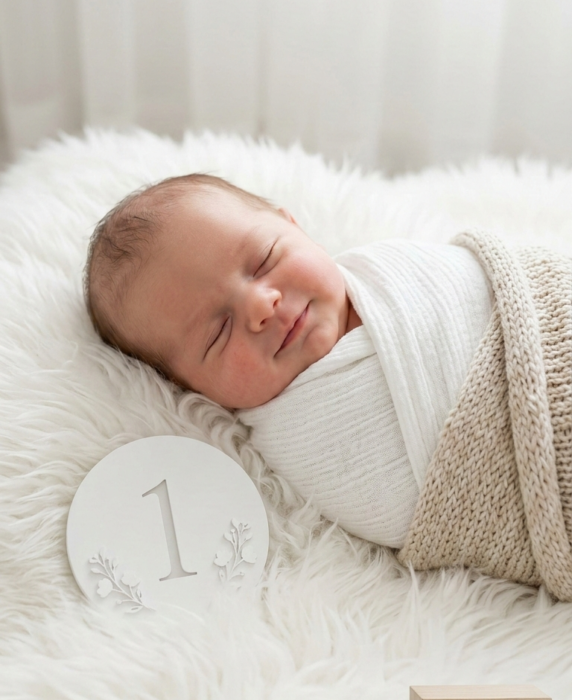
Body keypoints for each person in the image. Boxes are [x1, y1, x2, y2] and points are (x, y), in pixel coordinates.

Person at [84, 172, 493, 551]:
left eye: (265, 260)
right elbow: (421, 509)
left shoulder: (395, 267)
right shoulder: (301, 433)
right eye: (219, 332)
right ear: (190, 387)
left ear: (293, 225)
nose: (262, 305)